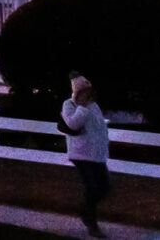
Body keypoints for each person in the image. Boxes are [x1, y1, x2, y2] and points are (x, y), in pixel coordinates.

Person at [60, 72, 110, 236]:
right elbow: (73, 124)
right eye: (84, 91)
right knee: (92, 187)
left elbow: (99, 128)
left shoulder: (94, 105)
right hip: (80, 153)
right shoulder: (69, 105)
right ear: (77, 92)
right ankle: (92, 224)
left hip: (96, 154)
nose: (88, 94)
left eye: (89, 91)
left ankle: (84, 210)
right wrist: (81, 107)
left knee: (104, 188)